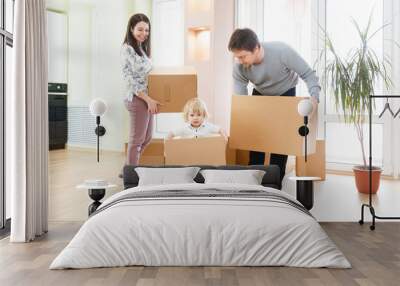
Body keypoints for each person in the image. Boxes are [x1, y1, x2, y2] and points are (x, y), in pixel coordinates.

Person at [228, 28, 320, 184]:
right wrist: (243, 119)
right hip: (260, 94)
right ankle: (254, 183)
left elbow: (309, 75)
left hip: (285, 91)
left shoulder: (282, 51)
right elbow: (241, 99)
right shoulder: (239, 67)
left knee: (280, 144)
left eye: (243, 56)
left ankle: (275, 183)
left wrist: (314, 99)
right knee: (255, 139)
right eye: (237, 57)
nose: (240, 61)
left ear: (256, 48)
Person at [121, 13, 161, 166]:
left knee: (147, 138)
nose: (144, 33)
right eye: (140, 30)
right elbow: (129, 80)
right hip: (137, 98)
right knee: (136, 140)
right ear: (131, 29)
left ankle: (127, 168)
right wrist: (148, 99)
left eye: (147, 30)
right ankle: (131, 174)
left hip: (147, 99)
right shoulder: (127, 49)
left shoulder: (141, 49)